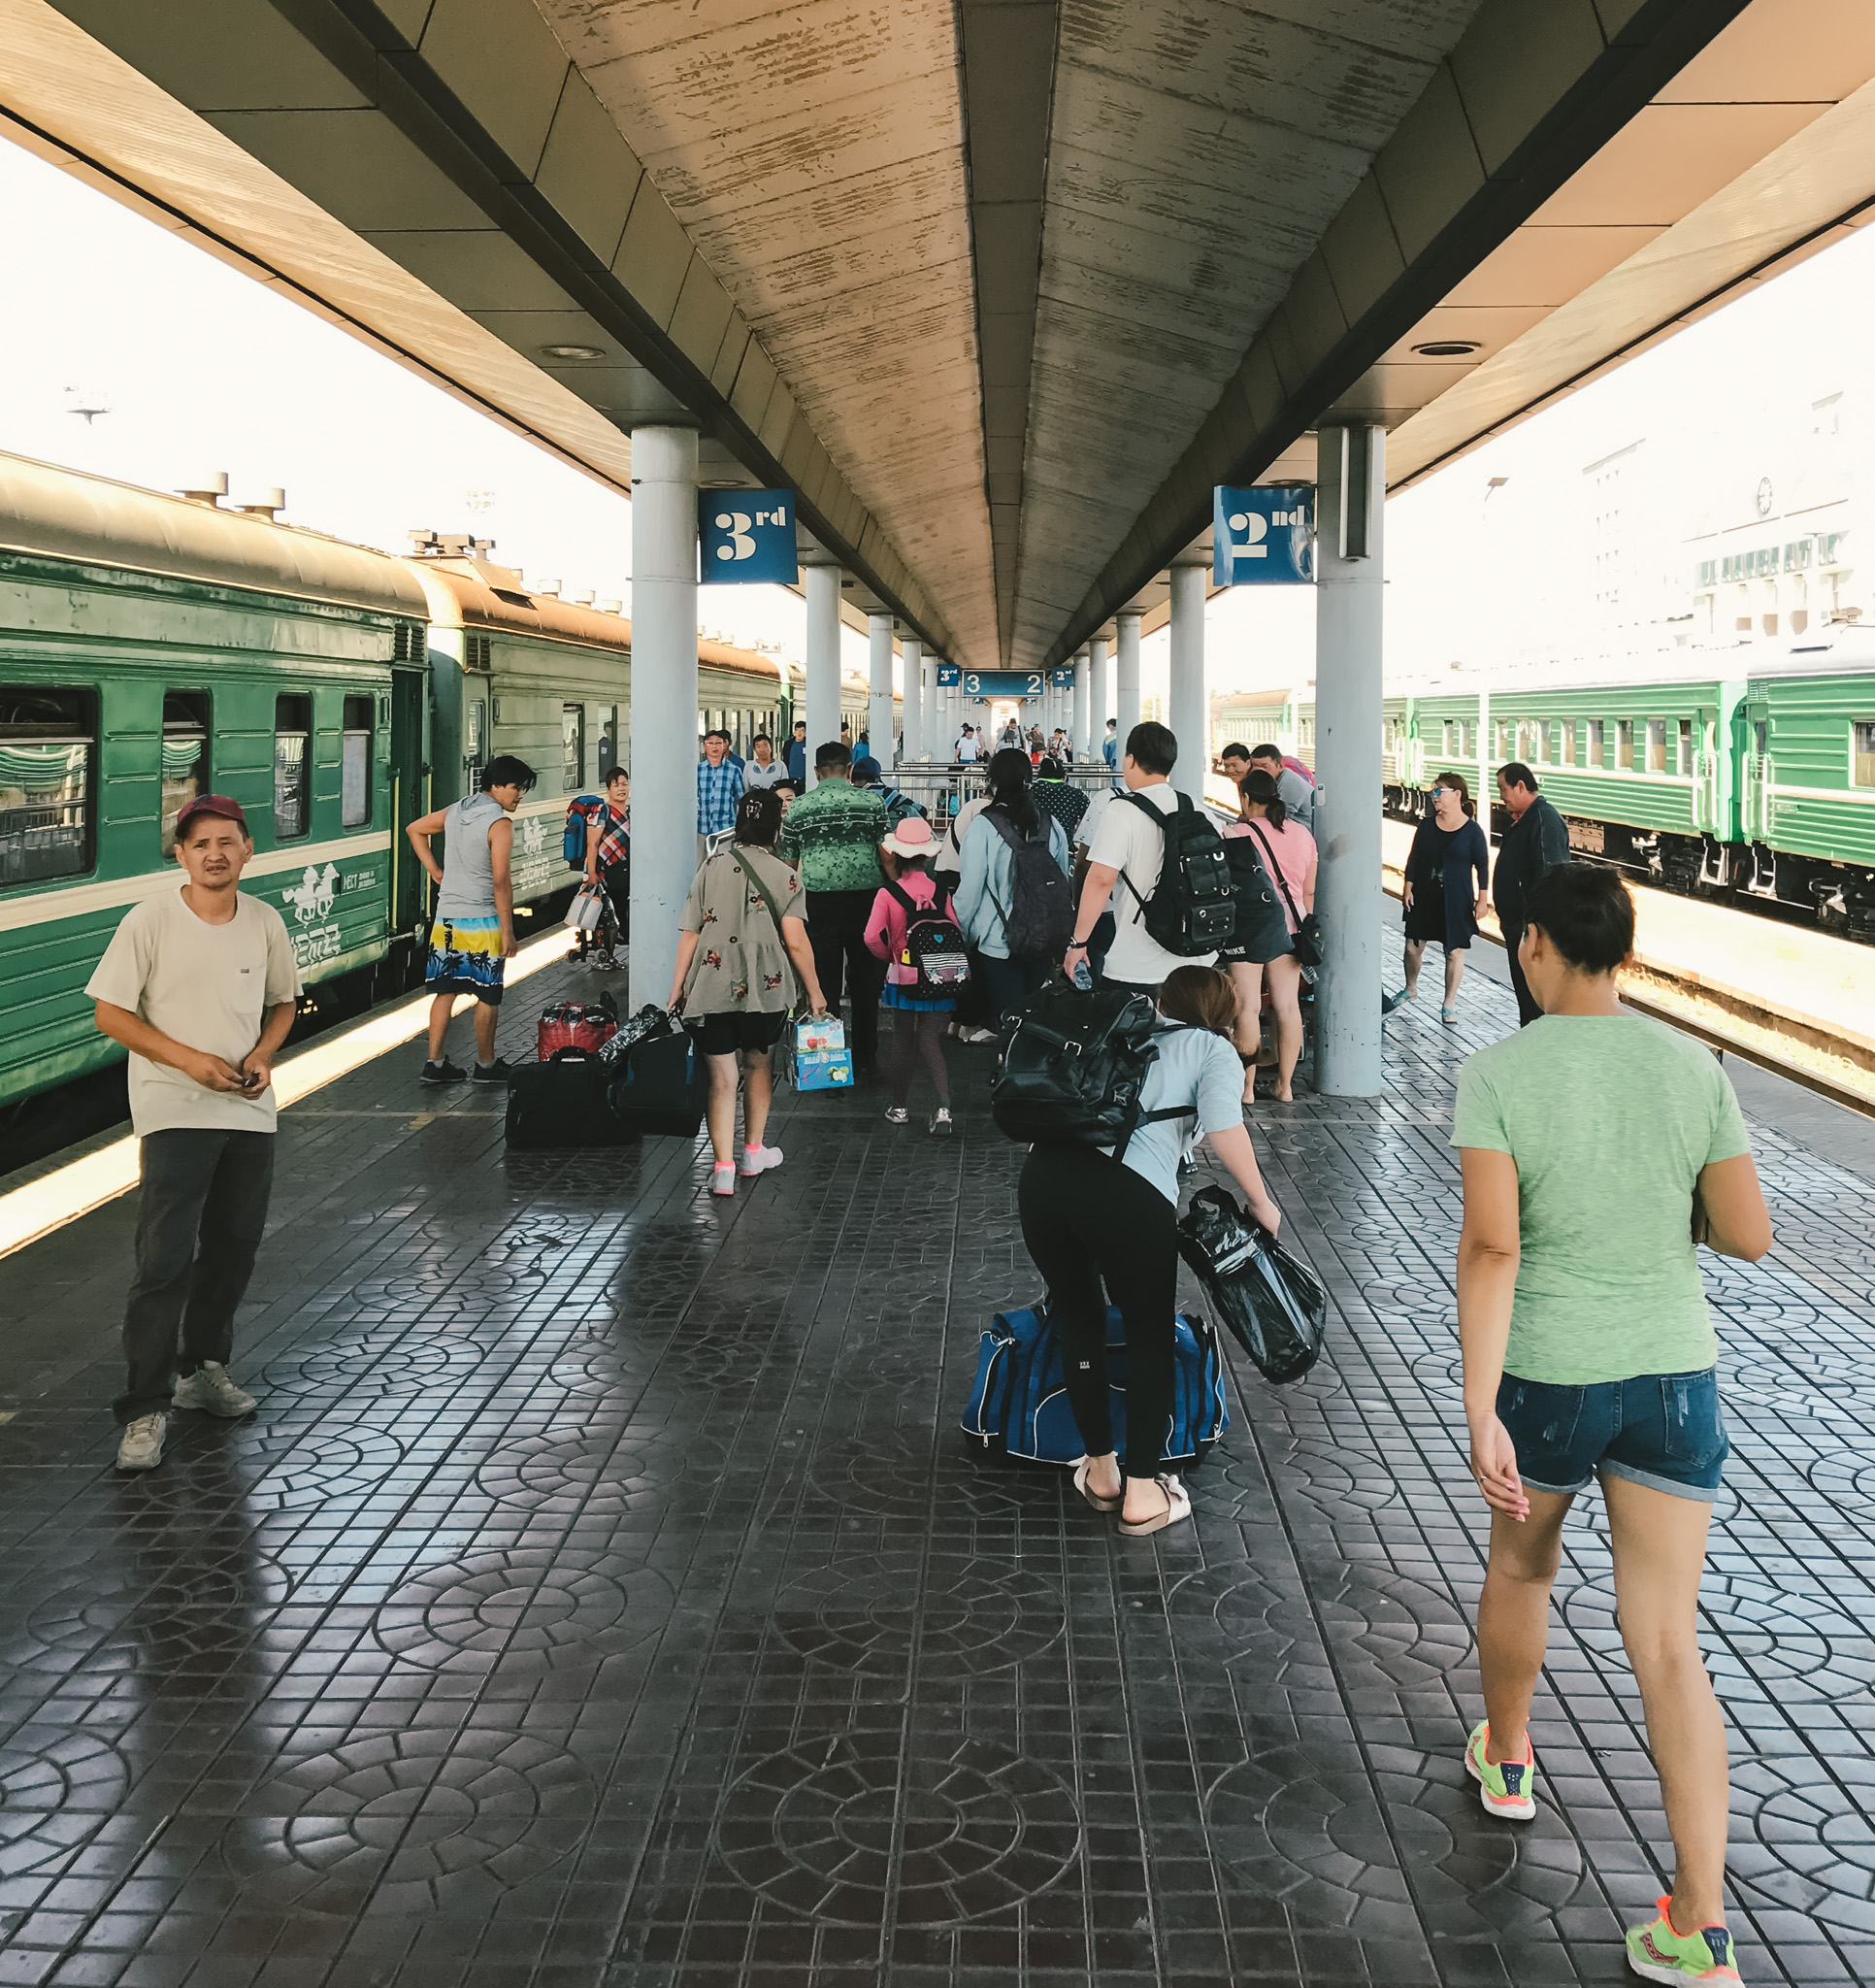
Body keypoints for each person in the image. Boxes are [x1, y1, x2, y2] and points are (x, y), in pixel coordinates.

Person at [1452, 864, 1771, 1983]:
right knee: (1669, 1644)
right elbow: (1747, 1234)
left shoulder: (1499, 1072)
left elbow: (1494, 1248)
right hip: (1676, 1377)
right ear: (1621, 947)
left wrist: (1479, 1401)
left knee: (1523, 1570)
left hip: (1550, 1374)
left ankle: (1507, 1758)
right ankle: (1700, 1921)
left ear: (1533, 941)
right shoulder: (1693, 1065)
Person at [1019, 965, 1283, 1535]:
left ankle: (1102, 1473)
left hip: (1044, 1181)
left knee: (1079, 1319)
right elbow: (1223, 1127)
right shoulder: (1212, 1049)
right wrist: (1261, 1200)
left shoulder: (1120, 1029)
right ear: (1223, 1012)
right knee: (1147, 1334)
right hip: (1129, 1197)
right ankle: (1143, 1492)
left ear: (1162, 1001)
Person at [87, 795, 302, 1472]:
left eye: (227, 842)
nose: (215, 853)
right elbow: (111, 1014)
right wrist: (191, 1063)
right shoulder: (149, 921)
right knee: (164, 1263)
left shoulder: (263, 921)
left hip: (246, 1111)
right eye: (200, 842)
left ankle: (203, 1371)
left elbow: (284, 1002)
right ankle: (145, 1408)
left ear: (247, 851)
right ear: (180, 853)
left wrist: (264, 1054)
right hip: (174, 1110)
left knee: (232, 1248)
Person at [670, 787, 830, 1197]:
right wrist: (815, 992)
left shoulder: (711, 865)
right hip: (766, 987)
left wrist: (677, 988)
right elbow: (795, 941)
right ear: (777, 827)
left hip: (710, 983)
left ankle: (722, 1169)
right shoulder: (786, 875)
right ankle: (753, 1152)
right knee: (758, 1067)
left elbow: (691, 932)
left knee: (721, 1079)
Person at [409, 755, 536, 1083]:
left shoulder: (458, 810)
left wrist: (436, 871)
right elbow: (500, 880)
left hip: (448, 918)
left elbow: (415, 829)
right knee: (487, 993)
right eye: (516, 788)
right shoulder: (500, 823)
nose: (519, 795)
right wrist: (508, 932)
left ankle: (434, 1064)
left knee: (445, 992)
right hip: (482, 919)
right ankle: (486, 1065)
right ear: (495, 786)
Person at [1061, 721, 1211, 998]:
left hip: (1137, 963)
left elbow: (1101, 879)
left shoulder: (1120, 811)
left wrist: (1078, 942)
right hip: (1195, 958)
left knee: (1132, 1037)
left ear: (1129, 760)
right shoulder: (1199, 809)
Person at [778, 741, 889, 1077]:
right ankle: (867, 1058)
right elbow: (885, 852)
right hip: (866, 900)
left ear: (816, 772)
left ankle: (828, 1065)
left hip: (817, 903)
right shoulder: (872, 802)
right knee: (866, 981)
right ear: (850, 770)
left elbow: (788, 862)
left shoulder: (799, 807)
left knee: (824, 981)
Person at [954, 747, 1071, 1025]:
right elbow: (1062, 881)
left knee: (1009, 1018)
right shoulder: (1050, 825)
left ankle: (1009, 1063)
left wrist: (963, 936)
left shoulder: (983, 825)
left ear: (992, 782)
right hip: (1042, 940)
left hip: (998, 941)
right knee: (1031, 1016)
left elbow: (969, 892)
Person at [1223, 769, 1315, 1103]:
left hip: (1250, 927)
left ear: (1246, 798)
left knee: (1247, 1008)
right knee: (1288, 1006)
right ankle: (1285, 1087)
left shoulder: (1236, 832)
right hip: (1292, 929)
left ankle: (1246, 1090)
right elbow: (1308, 892)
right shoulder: (1303, 834)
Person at [864, 815, 957, 1135]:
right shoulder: (942, 891)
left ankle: (900, 1107)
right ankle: (943, 1107)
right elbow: (956, 931)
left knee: (902, 1040)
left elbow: (872, 937)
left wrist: (892, 958)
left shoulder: (888, 894)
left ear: (896, 854)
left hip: (902, 977)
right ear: (928, 854)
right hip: (939, 976)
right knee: (931, 1039)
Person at [1390, 772, 1491, 1024]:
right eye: (1432, 792)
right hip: (1424, 896)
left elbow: (1483, 866)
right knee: (1412, 947)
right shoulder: (1426, 826)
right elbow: (1414, 858)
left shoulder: (1472, 831)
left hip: (1456, 900)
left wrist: (1482, 899)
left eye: (1439, 792)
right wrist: (1408, 886)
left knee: (1454, 951)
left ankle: (1449, 1002)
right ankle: (1410, 988)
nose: (1434, 797)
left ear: (1457, 795)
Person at [1493, 762, 1571, 1027]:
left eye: (1503, 788)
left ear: (1521, 786)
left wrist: (1537, 927)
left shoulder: (1543, 819)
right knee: (1526, 999)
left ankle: (1539, 1052)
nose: (1501, 795)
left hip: (1533, 931)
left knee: (1535, 1000)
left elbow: (1549, 876)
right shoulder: (1528, 818)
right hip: (1521, 927)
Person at [582, 765, 630, 970]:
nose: (621, 788)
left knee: (619, 913)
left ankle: (611, 956)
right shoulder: (603, 810)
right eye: (616, 785)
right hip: (606, 871)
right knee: (607, 917)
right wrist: (591, 873)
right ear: (608, 789)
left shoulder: (631, 810)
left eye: (625, 784)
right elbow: (592, 843)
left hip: (625, 870)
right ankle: (603, 957)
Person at [697, 727, 745, 865]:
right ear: (704, 747)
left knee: (724, 867)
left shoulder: (734, 770)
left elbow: (740, 799)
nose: (714, 747)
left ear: (724, 746)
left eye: (718, 743)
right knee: (700, 867)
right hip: (701, 828)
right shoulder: (697, 770)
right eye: (710, 743)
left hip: (725, 830)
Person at [1248, 742, 1316, 831]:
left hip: (1305, 836)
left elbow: (1279, 817)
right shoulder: (1271, 782)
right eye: (1255, 766)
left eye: (1264, 767)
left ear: (1280, 766)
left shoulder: (1289, 782)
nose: (1259, 771)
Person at [1034, 754, 1090, 845]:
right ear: (1064, 777)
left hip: (1033, 848)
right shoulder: (1075, 794)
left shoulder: (1030, 792)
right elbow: (1090, 819)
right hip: (1065, 846)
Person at [785, 719, 808, 785]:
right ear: (794, 732)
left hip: (804, 778)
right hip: (791, 778)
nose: (799, 733)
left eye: (802, 731)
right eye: (798, 730)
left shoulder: (808, 744)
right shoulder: (788, 744)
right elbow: (786, 759)